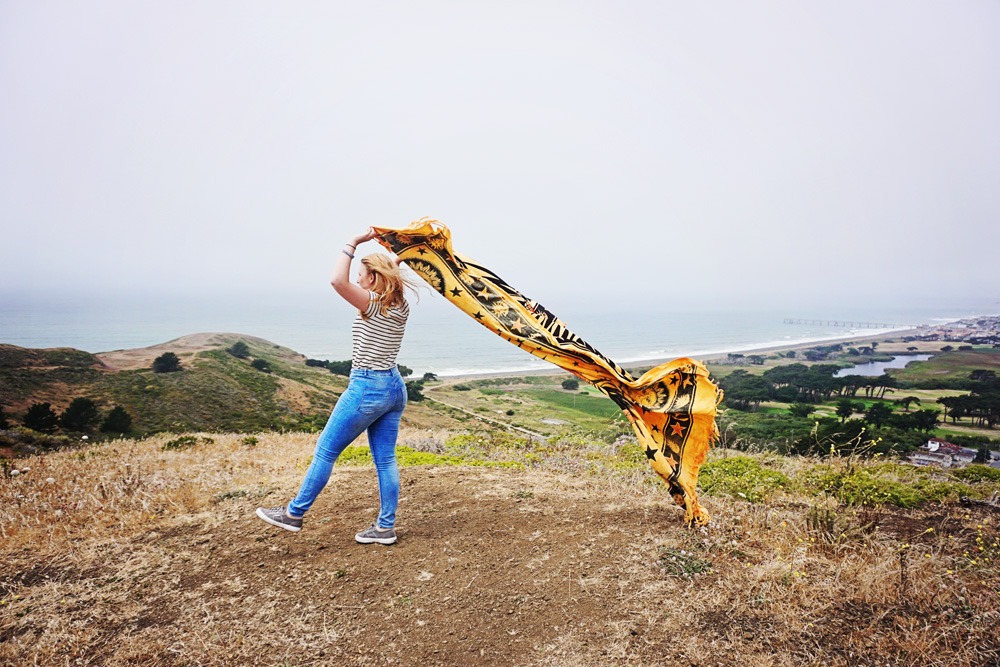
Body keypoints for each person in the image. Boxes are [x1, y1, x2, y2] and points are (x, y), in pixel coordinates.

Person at [256, 227, 415, 545]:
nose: (357, 279)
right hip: (394, 387)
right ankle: (385, 528)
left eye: (362, 274)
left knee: (326, 451)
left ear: (373, 279)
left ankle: (293, 514)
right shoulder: (400, 306)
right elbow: (388, 273)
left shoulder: (373, 304)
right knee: (385, 459)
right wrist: (403, 253)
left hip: (367, 387)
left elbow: (336, 282)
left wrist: (353, 243)